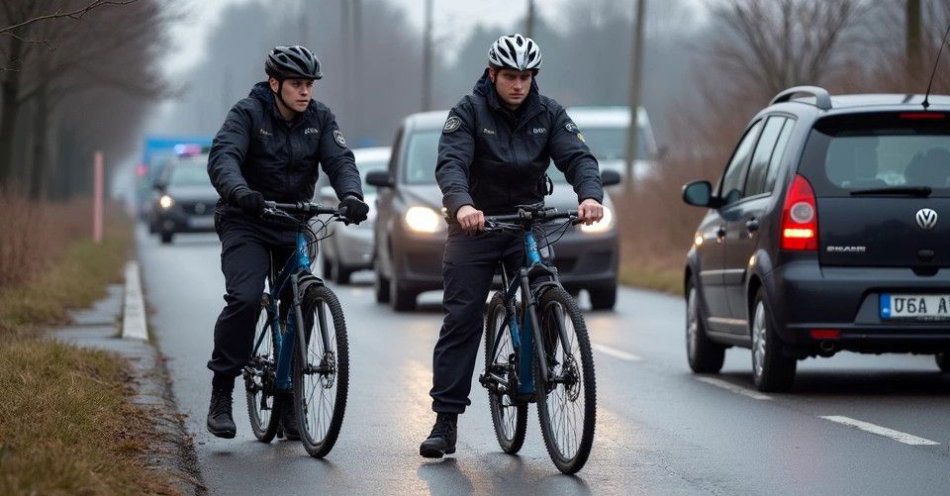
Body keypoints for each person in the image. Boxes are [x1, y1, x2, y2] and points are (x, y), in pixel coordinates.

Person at [420, 34, 605, 458]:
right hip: (477, 225)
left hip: (526, 220)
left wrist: (590, 195)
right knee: (463, 315)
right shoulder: (468, 112)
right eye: (509, 76)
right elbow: (451, 163)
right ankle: (445, 421)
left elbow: (578, 157)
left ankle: (542, 368)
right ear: (492, 75)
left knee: (546, 287)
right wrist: (463, 205)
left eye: (525, 77)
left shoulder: (549, 113)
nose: (518, 84)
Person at [205, 45, 369, 439]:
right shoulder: (248, 114)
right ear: (275, 84)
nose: (305, 92)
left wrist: (352, 196)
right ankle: (222, 391)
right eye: (297, 84)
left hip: (295, 221)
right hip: (247, 219)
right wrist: (240, 191)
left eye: (309, 84)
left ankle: (291, 397)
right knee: (245, 298)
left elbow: (341, 161)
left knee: (303, 299)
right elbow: (223, 157)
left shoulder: (320, 118)